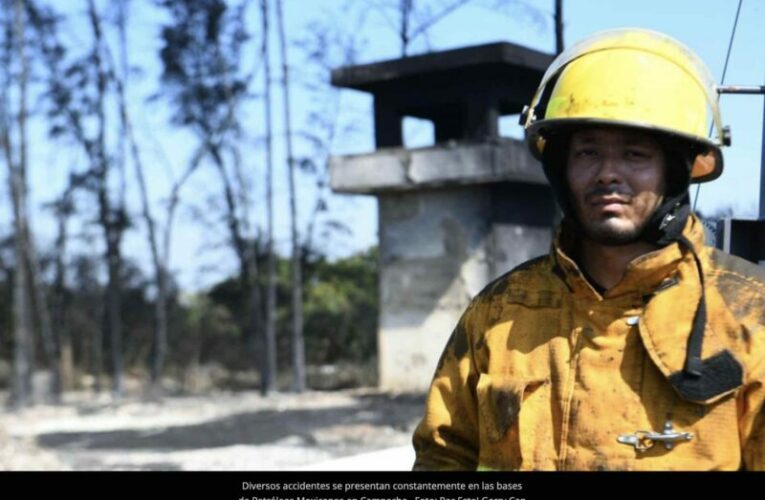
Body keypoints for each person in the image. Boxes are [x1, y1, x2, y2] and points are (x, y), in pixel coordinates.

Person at [411, 28, 765, 471]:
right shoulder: (500, 313)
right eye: (588, 153)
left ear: (675, 172)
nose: (607, 174)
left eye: (635, 155)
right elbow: (444, 458)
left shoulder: (750, 312)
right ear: (561, 168)